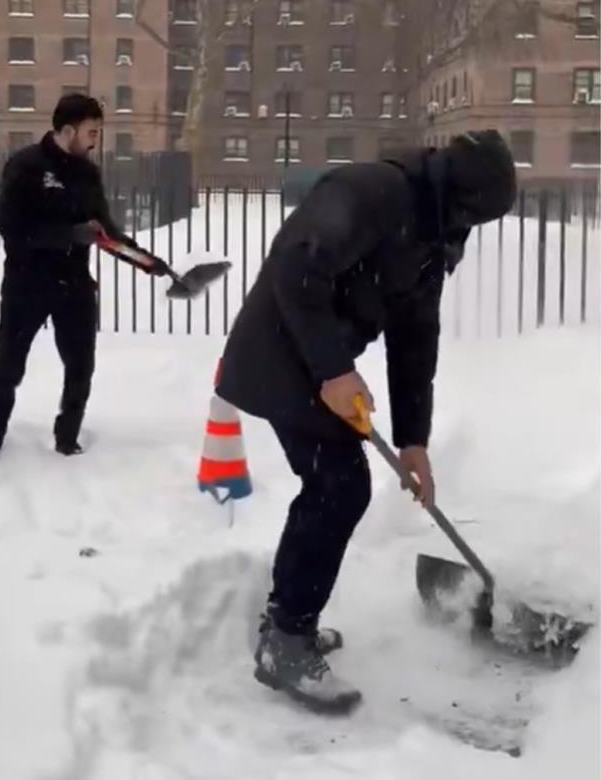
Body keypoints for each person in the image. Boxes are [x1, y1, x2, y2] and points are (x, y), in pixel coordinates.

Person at [217, 129, 517, 714]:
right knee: (339, 485)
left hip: (317, 362)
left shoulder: (433, 235)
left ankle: (287, 623)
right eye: (472, 217)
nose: (470, 230)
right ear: (457, 195)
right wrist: (333, 371)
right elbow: (297, 271)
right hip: (279, 353)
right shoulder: (370, 190)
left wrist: (414, 441)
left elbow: (414, 340)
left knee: (333, 484)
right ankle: (286, 638)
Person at [0, 93, 152, 481]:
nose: (94, 141)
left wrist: (142, 259)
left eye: (97, 133)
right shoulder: (26, 166)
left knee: (81, 365)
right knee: (8, 368)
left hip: (74, 285)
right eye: (91, 132)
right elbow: (11, 228)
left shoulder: (88, 174)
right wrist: (70, 234)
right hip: (27, 284)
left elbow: (104, 229)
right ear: (67, 130)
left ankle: (67, 440)